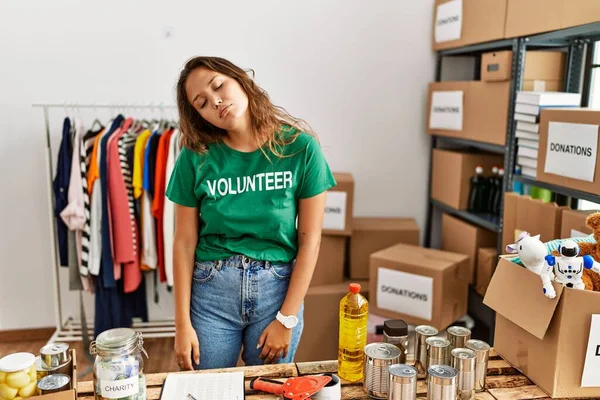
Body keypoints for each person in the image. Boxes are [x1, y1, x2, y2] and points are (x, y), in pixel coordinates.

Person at [166, 56, 336, 371]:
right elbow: (184, 241)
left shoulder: (301, 149)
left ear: (242, 79)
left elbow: (310, 240)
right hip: (211, 294)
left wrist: (287, 317)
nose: (215, 101)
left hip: (277, 294)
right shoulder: (195, 157)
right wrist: (181, 325)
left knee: (269, 391)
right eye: (201, 103)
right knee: (207, 394)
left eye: (219, 85)